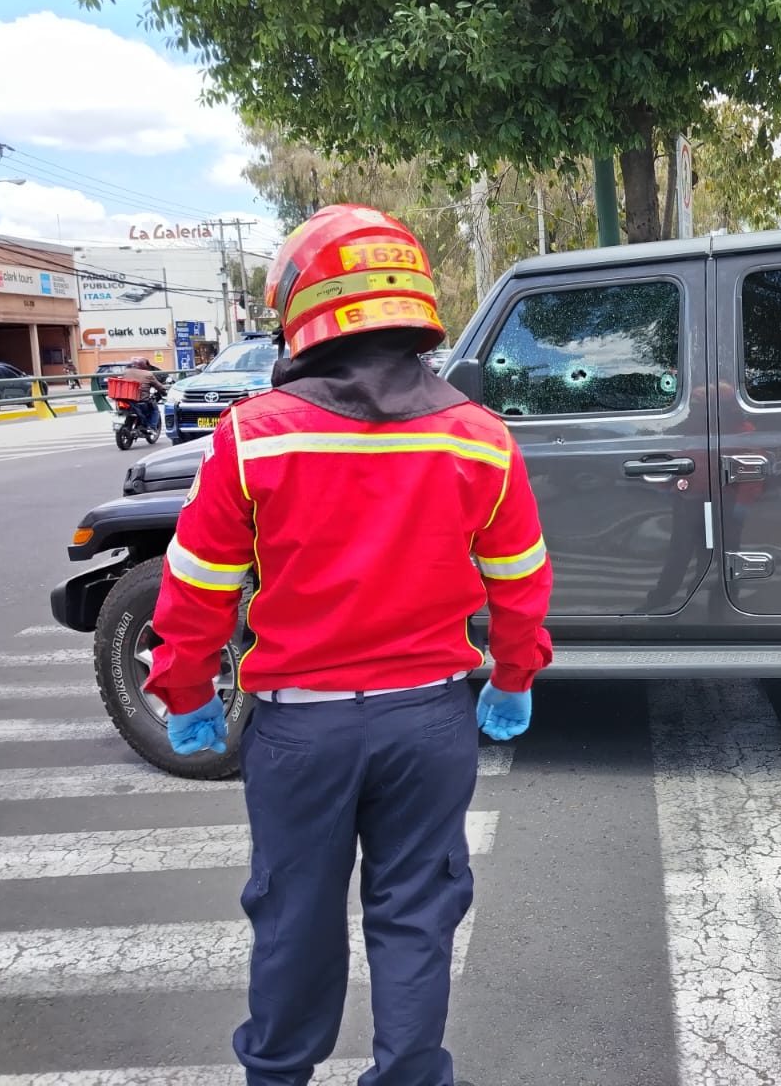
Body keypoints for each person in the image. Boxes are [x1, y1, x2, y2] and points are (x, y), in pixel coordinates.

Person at [141, 205, 553, 1086]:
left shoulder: (253, 437)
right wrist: (512, 678)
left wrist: (187, 696)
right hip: (432, 724)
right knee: (416, 916)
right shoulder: (481, 438)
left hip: (301, 733)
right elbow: (520, 582)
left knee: (295, 917)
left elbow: (198, 588)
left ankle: (281, 1075)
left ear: (300, 306)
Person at [119, 356, 166, 432]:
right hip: (141, 400)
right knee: (155, 409)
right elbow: (158, 386)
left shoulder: (126, 372)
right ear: (144, 365)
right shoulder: (148, 374)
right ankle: (152, 427)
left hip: (126, 399)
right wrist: (164, 392)